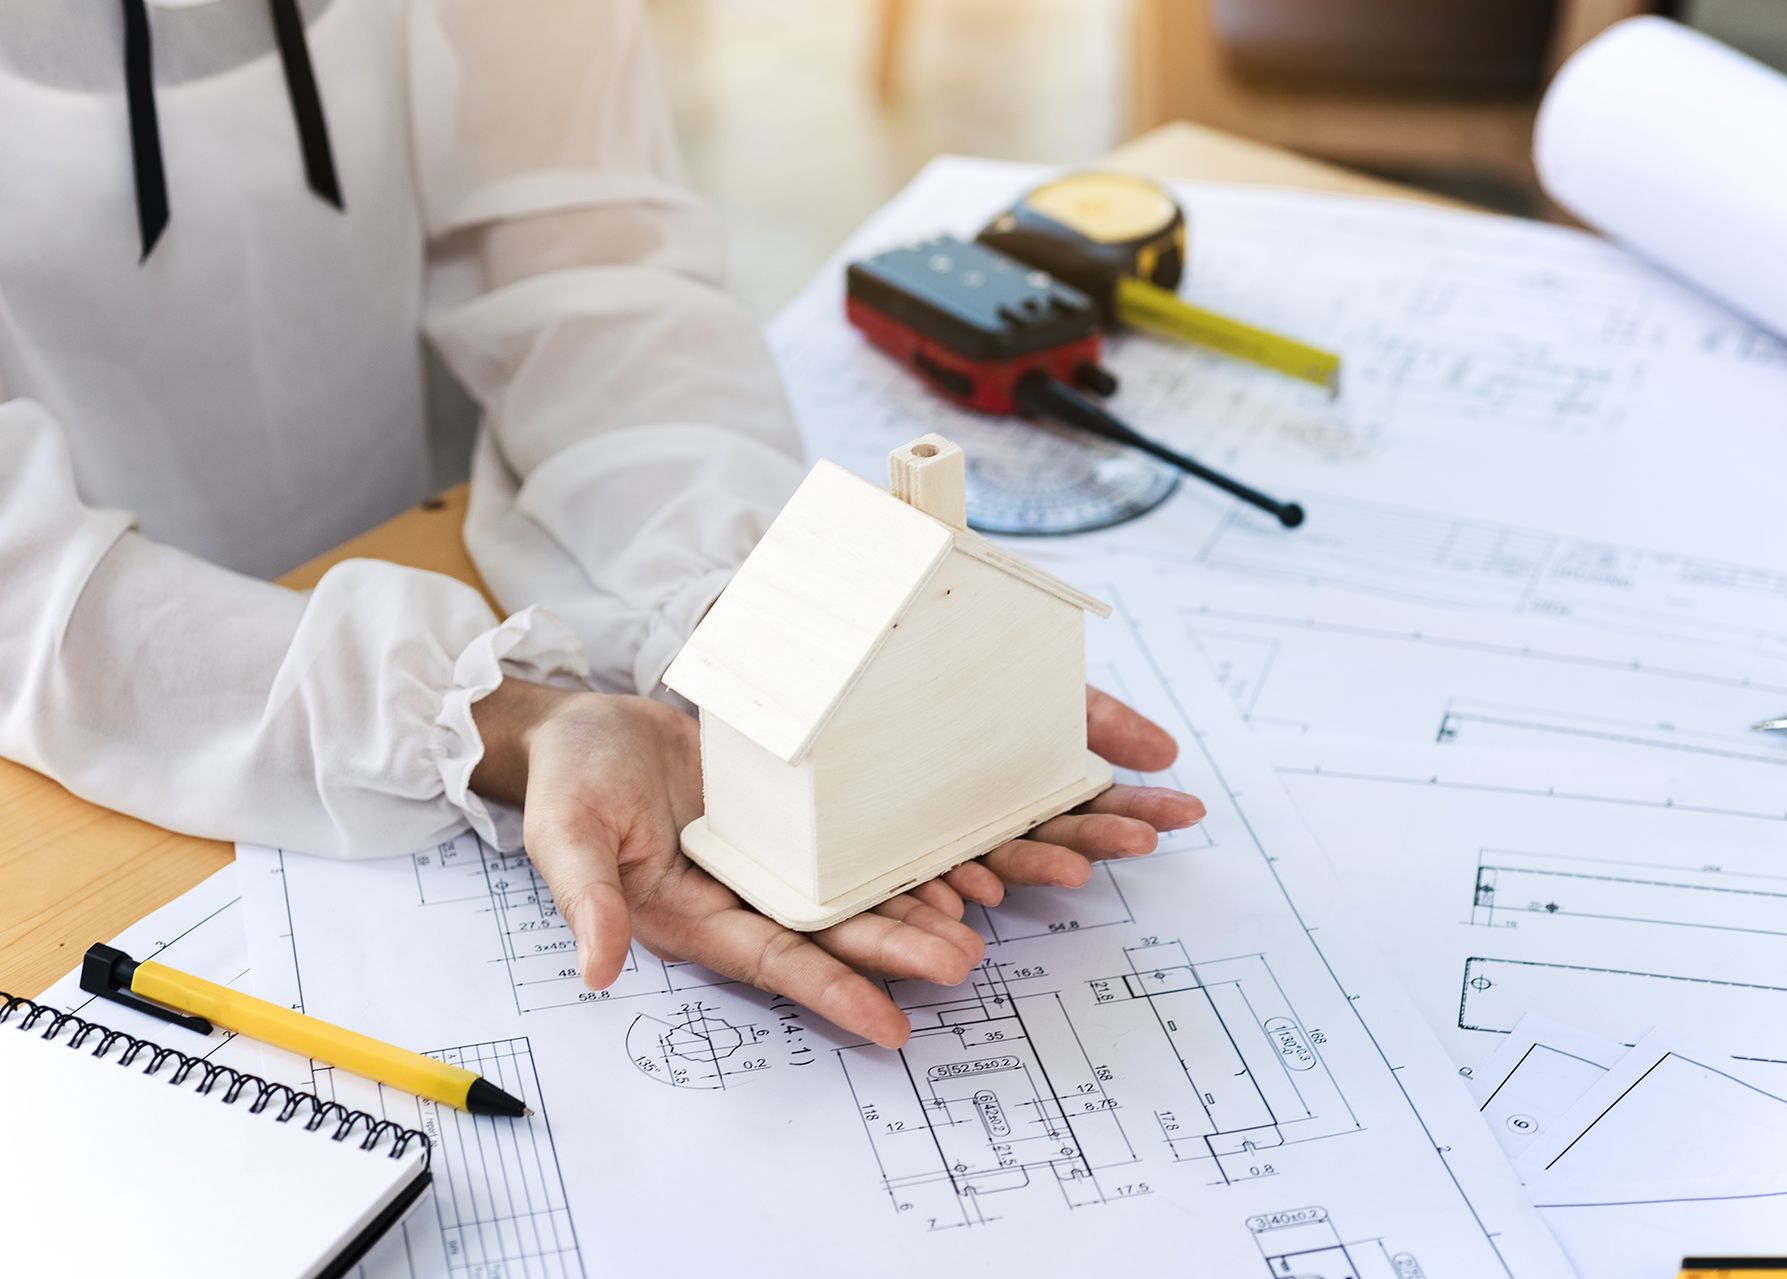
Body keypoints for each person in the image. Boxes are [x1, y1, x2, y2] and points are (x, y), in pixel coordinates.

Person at [0, 0, 1203, 1048]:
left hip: (411, 542)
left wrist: (760, 617)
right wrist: (492, 715)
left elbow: (583, 256)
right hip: (61, 753)